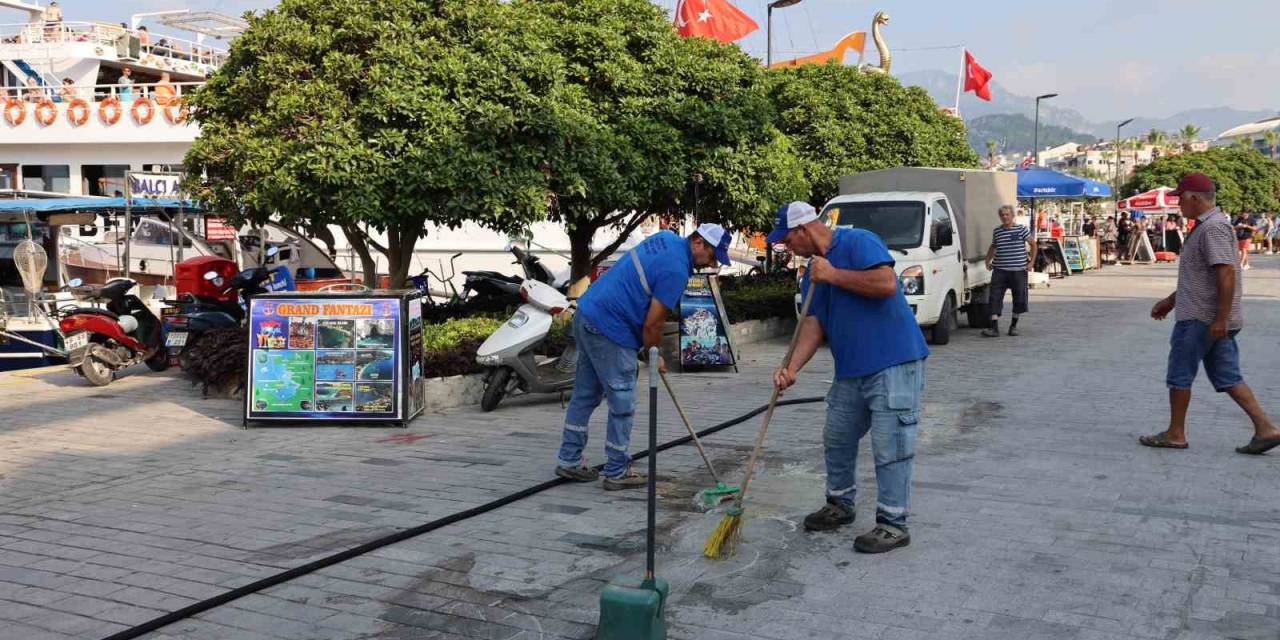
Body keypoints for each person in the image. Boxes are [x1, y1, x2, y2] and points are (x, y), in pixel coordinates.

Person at [766, 201, 928, 554]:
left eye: (788, 240)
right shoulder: (813, 272)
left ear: (802, 230)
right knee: (837, 436)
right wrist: (791, 367)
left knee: (890, 445)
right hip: (851, 370)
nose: (788, 248)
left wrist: (833, 275)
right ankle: (839, 503)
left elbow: (886, 283)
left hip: (893, 362)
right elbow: (813, 323)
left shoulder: (858, 242)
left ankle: (893, 523)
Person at [554, 224, 732, 490]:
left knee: (585, 395)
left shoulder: (665, 238)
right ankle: (616, 471)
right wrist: (654, 354)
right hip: (611, 328)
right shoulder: (676, 270)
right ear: (698, 242)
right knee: (622, 402)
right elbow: (652, 324)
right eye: (712, 256)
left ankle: (568, 460)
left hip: (587, 313)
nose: (711, 264)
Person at [1142, 172, 1280, 454]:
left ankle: (1175, 433)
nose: (1178, 204)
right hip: (1210, 318)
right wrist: (1171, 301)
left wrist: (1221, 317)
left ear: (1194, 198)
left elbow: (1225, 272)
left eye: (1180, 198)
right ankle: (1266, 428)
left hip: (1201, 319)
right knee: (1228, 376)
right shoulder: (1209, 225)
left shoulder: (1213, 227)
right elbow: (1202, 276)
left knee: (1180, 374)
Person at [983, 205, 1036, 337]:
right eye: (1002, 215)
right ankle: (994, 328)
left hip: (1018, 271)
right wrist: (987, 260)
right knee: (994, 297)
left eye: (1007, 214)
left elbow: (1033, 244)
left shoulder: (1021, 229)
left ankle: (1013, 326)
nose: (1005, 217)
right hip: (1000, 270)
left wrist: (1031, 262)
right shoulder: (997, 231)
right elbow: (993, 246)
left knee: (1019, 298)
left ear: (1012, 216)